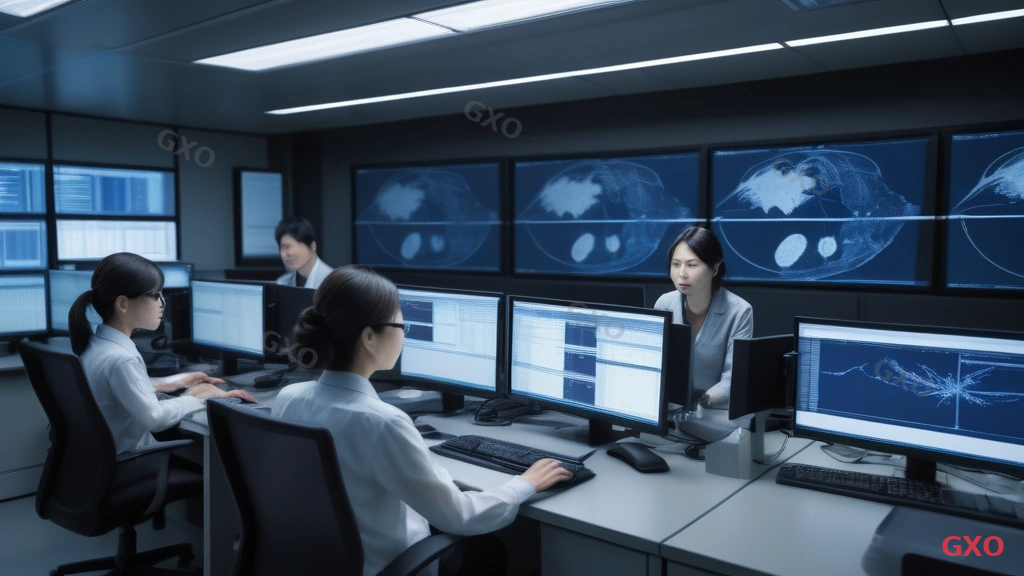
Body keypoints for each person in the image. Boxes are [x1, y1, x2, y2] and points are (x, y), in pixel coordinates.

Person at [272, 265, 572, 576]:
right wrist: (523, 485)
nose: (404, 333)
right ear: (369, 338)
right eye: (400, 324)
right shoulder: (383, 423)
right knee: (488, 550)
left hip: (320, 564)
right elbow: (460, 517)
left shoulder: (289, 398)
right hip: (388, 567)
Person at [70, 252, 255, 455]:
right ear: (122, 304)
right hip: (134, 460)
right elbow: (155, 418)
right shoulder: (122, 359)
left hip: (107, 458)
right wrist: (198, 398)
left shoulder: (100, 344)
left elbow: (122, 387)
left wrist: (173, 383)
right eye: (154, 295)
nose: (162, 303)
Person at [654, 227, 753, 409]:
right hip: (669, 410)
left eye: (692, 265)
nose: (682, 273)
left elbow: (733, 379)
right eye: (676, 264)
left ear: (715, 268)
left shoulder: (739, 311)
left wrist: (703, 399)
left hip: (714, 411)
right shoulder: (664, 304)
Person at [275, 216, 332, 289]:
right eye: (283, 247)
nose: (288, 253)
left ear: (312, 247)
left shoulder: (333, 282)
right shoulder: (282, 282)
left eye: (290, 246)